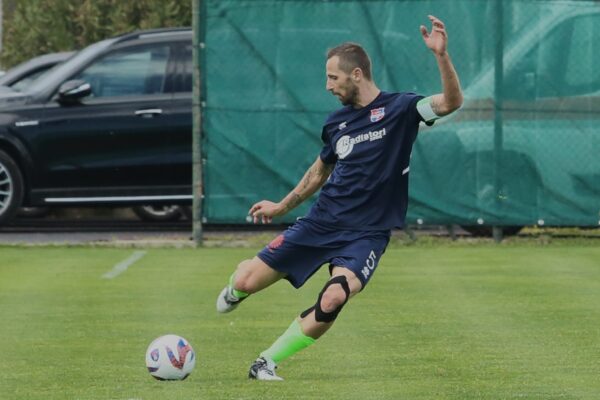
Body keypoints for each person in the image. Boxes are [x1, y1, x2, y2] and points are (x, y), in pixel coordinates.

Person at [216, 15, 463, 381]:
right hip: (321, 223)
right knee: (247, 280)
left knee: (333, 298)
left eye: (333, 77)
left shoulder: (401, 109)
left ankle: (265, 362)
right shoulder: (337, 124)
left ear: (357, 75)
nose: (328, 85)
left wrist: (442, 56)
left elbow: (450, 103)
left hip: (367, 234)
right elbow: (318, 172)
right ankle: (237, 289)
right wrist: (282, 206)